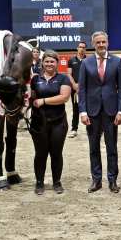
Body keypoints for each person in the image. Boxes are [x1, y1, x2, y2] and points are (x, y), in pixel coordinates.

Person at [78, 31, 121, 194]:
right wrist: (82, 112)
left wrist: (120, 111)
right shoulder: (86, 63)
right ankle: (96, 180)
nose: (101, 45)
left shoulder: (117, 62)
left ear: (108, 43)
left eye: (103, 42)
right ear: (93, 44)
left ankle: (112, 180)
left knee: (111, 147)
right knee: (93, 147)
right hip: (91, 112)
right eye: (98, 42)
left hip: (111, 111)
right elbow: (82, 89)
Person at [29, 51, 72, 195]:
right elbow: (30, 97)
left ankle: (56, 182)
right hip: (38, 122)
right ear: (42, 63)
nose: (49, 64)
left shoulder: (63, 78)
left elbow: (64, 97)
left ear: (57, 63)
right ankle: (39, 182)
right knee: (40, 153)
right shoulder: (35, 79)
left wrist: (43, 101)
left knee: (56, 153)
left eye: (52, 62)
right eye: (46, 61)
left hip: (58, 122)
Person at [67, 41, 87, 138]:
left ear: (85, 49)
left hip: (87, 89)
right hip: (75, 89)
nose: (82, 49)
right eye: (80, 47)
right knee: (76, 109)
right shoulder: (71, 60)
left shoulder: (89, 60)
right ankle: (74, 129)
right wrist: (74, 85)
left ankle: (91, 128)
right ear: (77, 48)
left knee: (90, 109)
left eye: (83, 47)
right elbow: (69, 74)